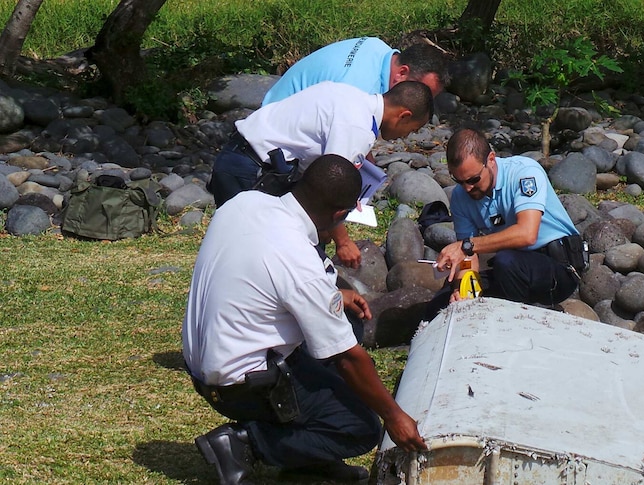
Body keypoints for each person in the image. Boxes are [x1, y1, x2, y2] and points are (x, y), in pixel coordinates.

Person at [184, 154, 426, 485]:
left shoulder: (245, 202)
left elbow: (258, 278)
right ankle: (244, 443)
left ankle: (311, 462)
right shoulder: (297, 258)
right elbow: (347, 359)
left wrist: (335, 296)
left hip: (204, 361)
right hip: (238, 385)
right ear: (339, 214)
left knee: (346, 325)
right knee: (359, 426)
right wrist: (394, 416)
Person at [208, 80, 434, 268]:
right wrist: (343, 241)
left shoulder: (350, 95)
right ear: (404, 115)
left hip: (239, 156)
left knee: (243, 248)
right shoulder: (357, 127)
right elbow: (331, 188)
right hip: (252, 170)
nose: (405, 137)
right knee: (251, 255)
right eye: (412, 129)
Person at [429, 127, 582, 314]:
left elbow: (527, 234)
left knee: (506, 261)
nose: (467, 188)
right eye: (459, 181)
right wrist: (463, 291)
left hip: (558, 269)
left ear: (491, 160)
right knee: (445, 298)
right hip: (513, 269)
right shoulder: (461, 197)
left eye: (473, 179)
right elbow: (468, 258)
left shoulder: (524, 173)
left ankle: (520, 321)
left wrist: (466, 246)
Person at [262, 36, 448, 106]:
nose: (422, 104)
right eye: (422, 93)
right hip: (271, 142)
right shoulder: (360, 91)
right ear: (402, 73)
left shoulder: (377, 47)